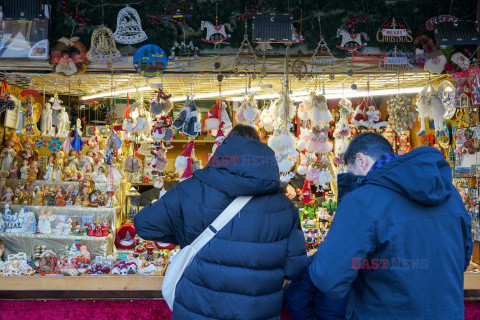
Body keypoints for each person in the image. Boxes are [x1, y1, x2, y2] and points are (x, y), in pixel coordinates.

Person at [134, 124, 307, 319]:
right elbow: (294, 268)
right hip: (256, 312)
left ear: (224, 150)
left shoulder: (191, 188)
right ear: (261, 154)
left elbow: (144, 224)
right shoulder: (284, 206)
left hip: (198, 309)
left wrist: (186, 232)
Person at [307, 132, 472, 320]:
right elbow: (463, 258)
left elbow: (328, 277)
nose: (351, 178)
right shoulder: (451, 195)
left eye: (350, 170)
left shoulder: (362, 201)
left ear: (361, 160)